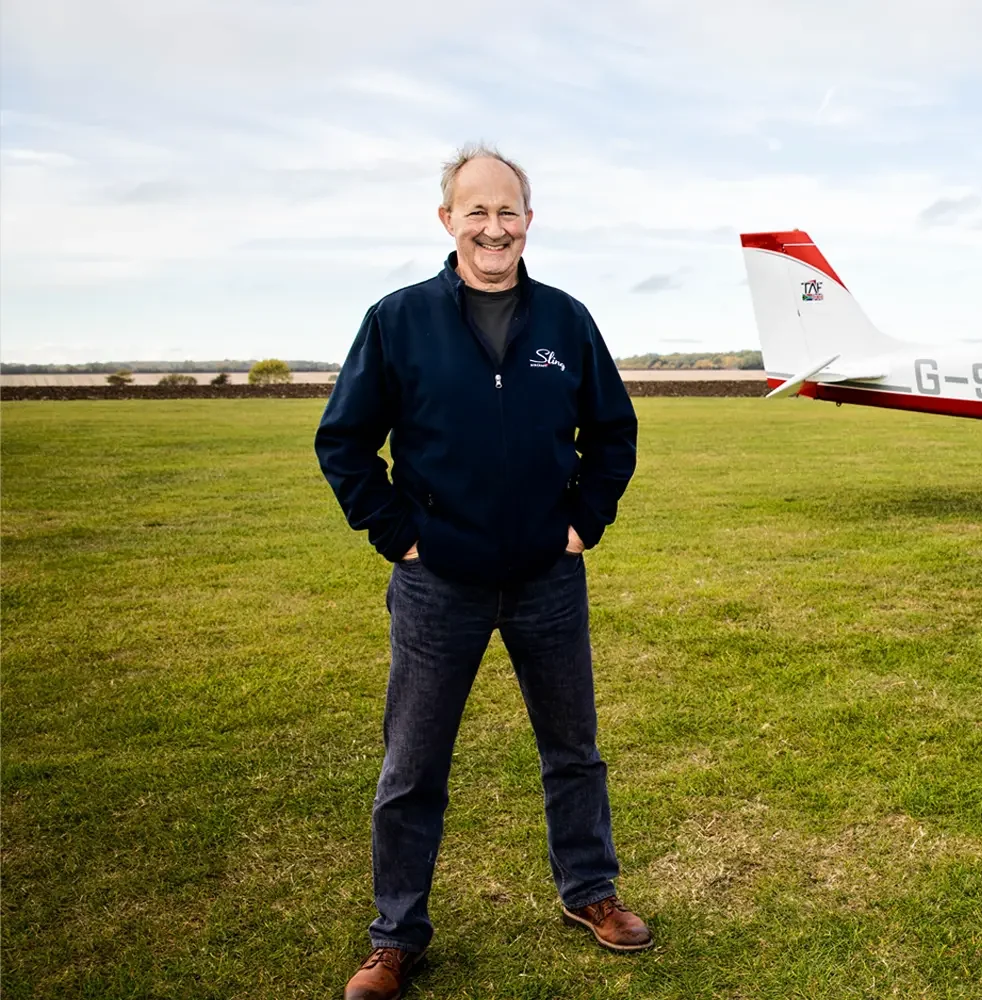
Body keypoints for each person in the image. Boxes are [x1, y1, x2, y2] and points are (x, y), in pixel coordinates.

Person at [315, 143, 648, 1000]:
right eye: (477, 211)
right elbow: (344, 442)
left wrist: (583, 524)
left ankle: (590, 891)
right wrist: (400, 536)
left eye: (508, 211)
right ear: (447, 220)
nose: (493, 228)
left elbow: (613, 433)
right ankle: (396, 937)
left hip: (547, 579)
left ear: (529, 221)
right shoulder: (398, 319)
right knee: (412, 768)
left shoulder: (566, 321)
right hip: (438, 586)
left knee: (573, 750)